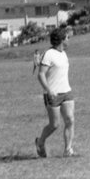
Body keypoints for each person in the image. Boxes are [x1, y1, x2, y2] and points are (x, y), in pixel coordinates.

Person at [35, 27, 75, 158]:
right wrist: (48, 90)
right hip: (53, 94)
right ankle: (40, 142)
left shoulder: (64, 54)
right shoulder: (49, 54)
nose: (69, 40)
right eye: (67, 37)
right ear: (62, 40)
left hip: (66, 92)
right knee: (55, 124)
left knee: (70, 120)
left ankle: (68, 150)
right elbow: (41, 75)